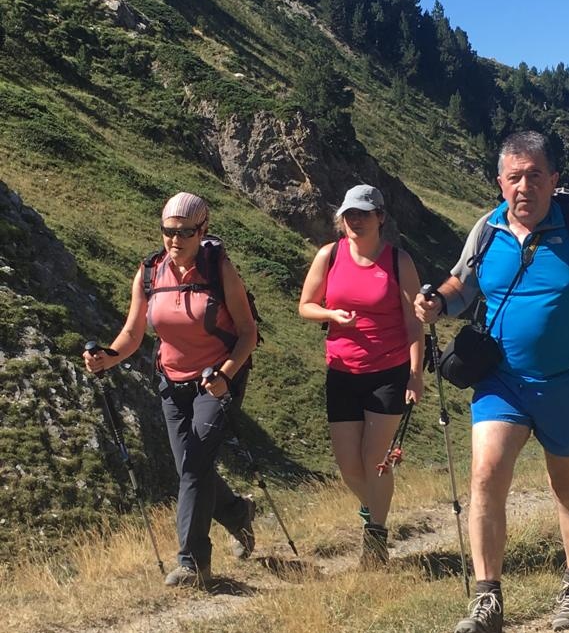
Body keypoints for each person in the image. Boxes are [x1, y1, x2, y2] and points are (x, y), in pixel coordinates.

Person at [415, 131, 569, 633]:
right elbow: (461, 285)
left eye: (535, 175)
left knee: (567, 486)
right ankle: (486, 603)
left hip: (568, 382)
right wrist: (437, 302)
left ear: (553, 179)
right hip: (501, 381)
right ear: (500, 182)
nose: (524, 186)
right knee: (486, 475)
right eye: (514, 177)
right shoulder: (487, 229)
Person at [83, 192, 259, 588]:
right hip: (171, 382)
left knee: (194, 466)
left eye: (184, 232)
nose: (175, 239)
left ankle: (193, 564)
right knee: (190, 467)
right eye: (168, 231)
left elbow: (248, 332)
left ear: (203, 230)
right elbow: (132, 333)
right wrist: (108, 357)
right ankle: (237, 513)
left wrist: (227, 374)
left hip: (217, 381)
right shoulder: (149, 272)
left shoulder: (220, 270)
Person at [299, 185, 424, 565]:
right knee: (349, 466)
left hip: (389, 370)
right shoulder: (330, 255)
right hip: (341, 370)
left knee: (375, 459)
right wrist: (331, 315)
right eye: (349, 214)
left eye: (363, 214)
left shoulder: (398, 261)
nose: (355, 220)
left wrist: (415, 374)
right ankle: (375, 508)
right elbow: (306, 306)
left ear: (380, 217)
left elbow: (413, 322)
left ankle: (376, 539)